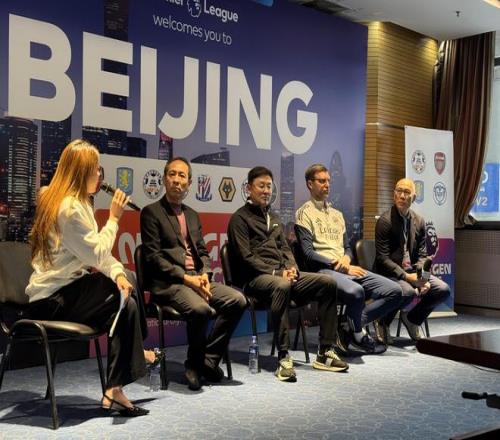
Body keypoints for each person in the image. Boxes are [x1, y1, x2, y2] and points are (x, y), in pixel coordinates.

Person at [26, 139, 152, 417]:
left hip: (70, 292)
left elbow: (98, 256)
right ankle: (127, 369)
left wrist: (117, 273)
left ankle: (115, 389)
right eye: (96, 169)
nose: (99, 174)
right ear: (81, 171)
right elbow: (96, 253)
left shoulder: (79, 203)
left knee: (126, 291)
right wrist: (114, 219)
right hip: (52, 300)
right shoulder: (68, 208)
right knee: (125, 294)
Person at [227, 166, 347, 382]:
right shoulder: (239, 219)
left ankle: (325, 352)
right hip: (255, 279)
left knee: (327, 283)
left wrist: (292, 269)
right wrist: (277, 273)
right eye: (261, 186)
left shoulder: (273, 217)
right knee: (281, 285)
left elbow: (285, 249)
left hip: (282, 275)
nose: (266, 191)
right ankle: (283, 357)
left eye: (268, 186)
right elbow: (245, 257)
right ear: (248, 189)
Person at [140, 157, 246, 391]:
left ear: (189, 183)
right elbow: (154, 259)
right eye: (172, 174)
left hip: (196, 278)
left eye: (182, 176)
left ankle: (208, 361)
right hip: (169, 283)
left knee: (237, 300)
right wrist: (187, 278)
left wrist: (205, 274)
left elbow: (202, 252)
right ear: (164, 179)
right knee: (200, 310)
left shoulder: (192, 215)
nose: (177, 180)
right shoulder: (151, 213)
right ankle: (194, 365)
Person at [295, 164, 402, 353]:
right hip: (323, 271)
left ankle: (349, 326)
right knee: (356, 292)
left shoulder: (337, 215)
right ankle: (358, 335)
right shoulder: (304, 213)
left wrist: (346, 258)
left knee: (395, 291)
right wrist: (338, 264)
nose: (327, 185)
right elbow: (308, 253)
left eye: (328, 181)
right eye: (322, 181)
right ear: (310, 184)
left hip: (345, 268)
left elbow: (347, 248)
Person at [374, 178, 451, 341]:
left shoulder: (419, 221)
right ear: (394, 195)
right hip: (389, 273)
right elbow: (382, 258)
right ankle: (382, 321)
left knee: (442, 290)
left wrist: (422, 278)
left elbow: (423, 255)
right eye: (399, 191)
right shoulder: (385, 221)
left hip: (411, 271)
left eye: (406, 192)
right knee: (407, 291)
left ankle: (412, 319)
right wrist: (407, 277)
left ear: (414, 197)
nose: (402, 196)